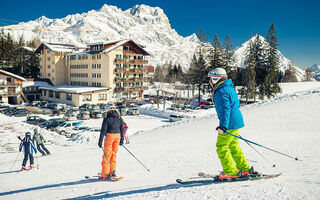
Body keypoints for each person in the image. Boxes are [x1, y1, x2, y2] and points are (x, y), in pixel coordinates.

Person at [208, 68, 252, 179]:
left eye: (211, 79)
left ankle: (230, 171)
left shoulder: (221, 92)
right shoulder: (228, 88)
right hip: (235, 122)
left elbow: (225, 109)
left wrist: (223, 125)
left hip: (229, 123)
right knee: (233, 145)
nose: (210, 82)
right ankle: (244, 169)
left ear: (216, 79)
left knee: (221, 146)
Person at [98, 107, 124, 179]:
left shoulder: (107, 118)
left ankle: (105, 174)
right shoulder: (119, 118)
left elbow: (103, 130)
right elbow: (122, 129)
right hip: (117, 136)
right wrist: (122, 139)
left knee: (107, 155)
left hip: (110, 136)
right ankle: (113, 171)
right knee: (113, 154)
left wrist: (100, 141)